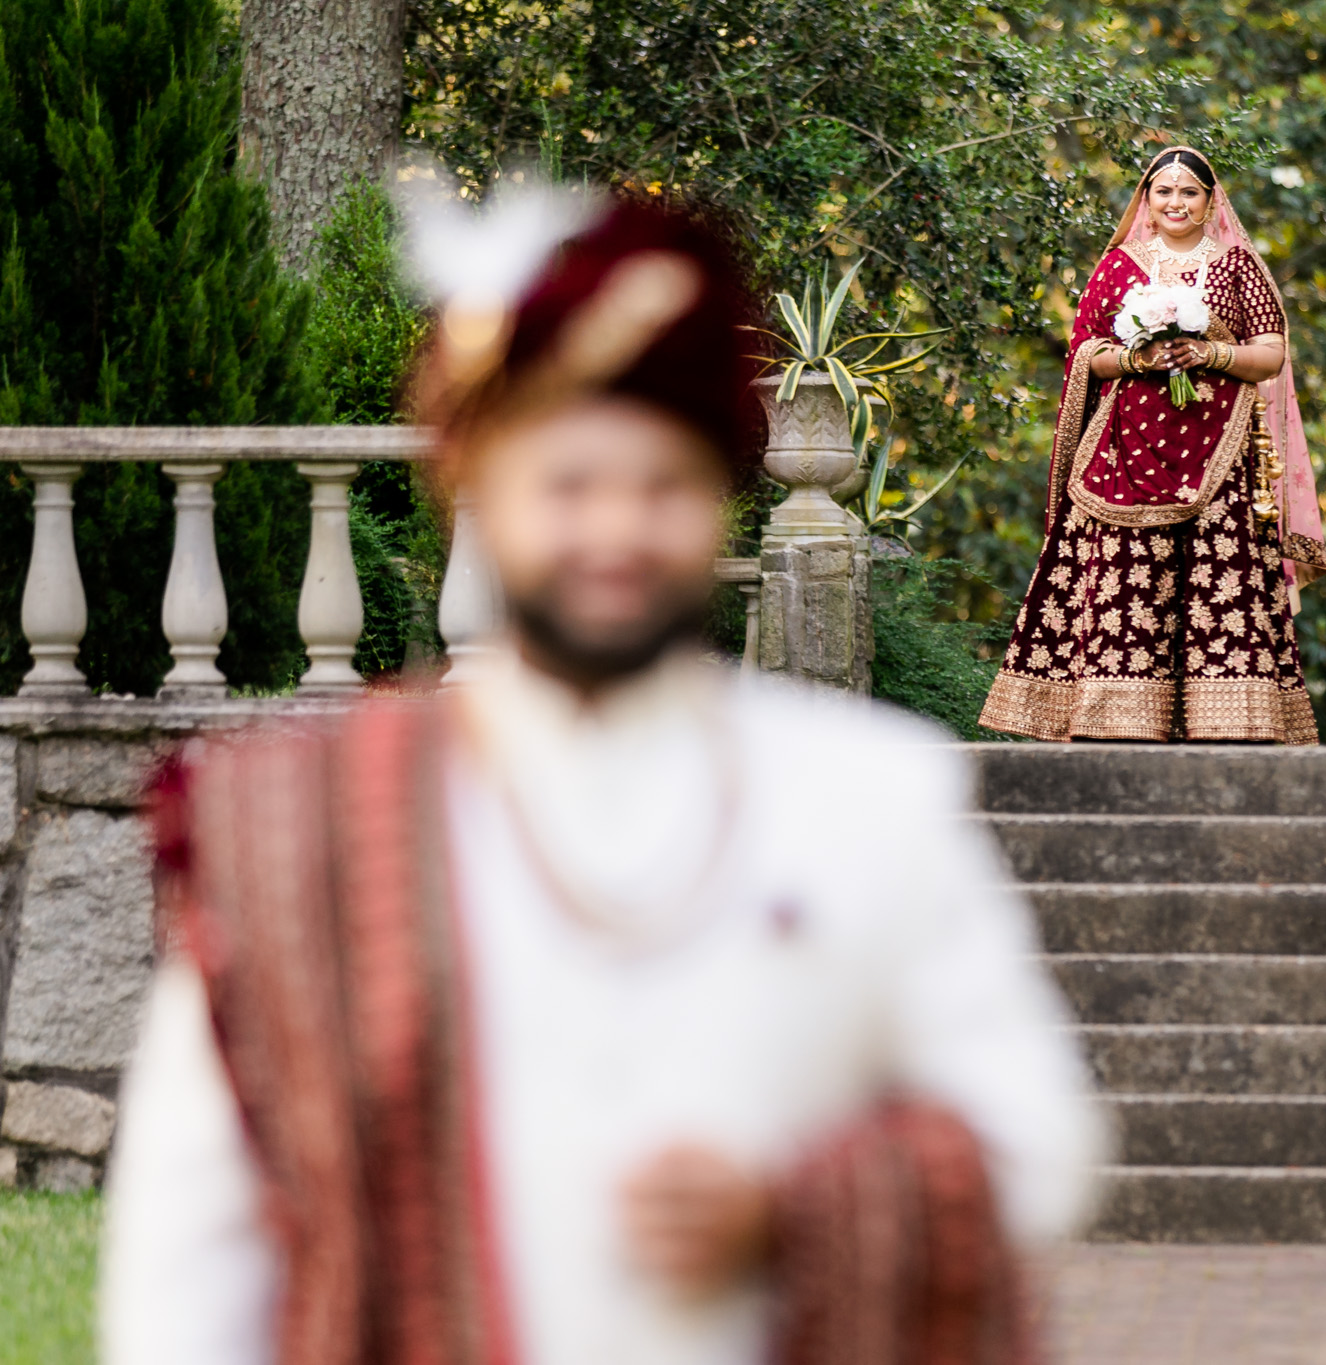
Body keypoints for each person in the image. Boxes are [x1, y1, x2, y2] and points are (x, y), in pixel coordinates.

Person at [99, 197, 1105, 1365]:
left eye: (663, 486)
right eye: (568, 485)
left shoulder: (869, 793)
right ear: (476, 481)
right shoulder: (295, 828)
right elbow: (190, 1261)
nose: (615, 532)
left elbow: (1039, 1143)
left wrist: (787, 1210)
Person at [978, 145, 1326, 744]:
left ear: (1208, 200)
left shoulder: (1238, 265)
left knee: (1220, 576)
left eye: (1188, 192)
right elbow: (1086, 352)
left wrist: (1210, 353)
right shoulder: (1117, 267)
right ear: (1146, 199)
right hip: (1125, 454)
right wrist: (1139, 356)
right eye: (1163, 192)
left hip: (1219, 456)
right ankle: (1116, 718)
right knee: (1125, 576)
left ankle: (1231, 723)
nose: (1175, 203)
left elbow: (1271, 353)